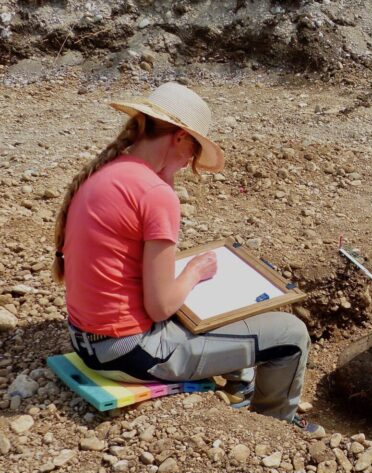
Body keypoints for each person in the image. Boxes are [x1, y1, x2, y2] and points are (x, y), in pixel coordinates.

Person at [53, 82, 317, 430]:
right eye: (192, 152)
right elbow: (160, 307)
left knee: (209, 308)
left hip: (86, 341)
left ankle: (240, 384)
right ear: (179, 137)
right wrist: (192, 272)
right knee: (291, 335)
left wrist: (165, 176)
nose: (190, 163)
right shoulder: (154, 193)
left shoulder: (108, 172)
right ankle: (276, 425)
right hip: (129, 353)